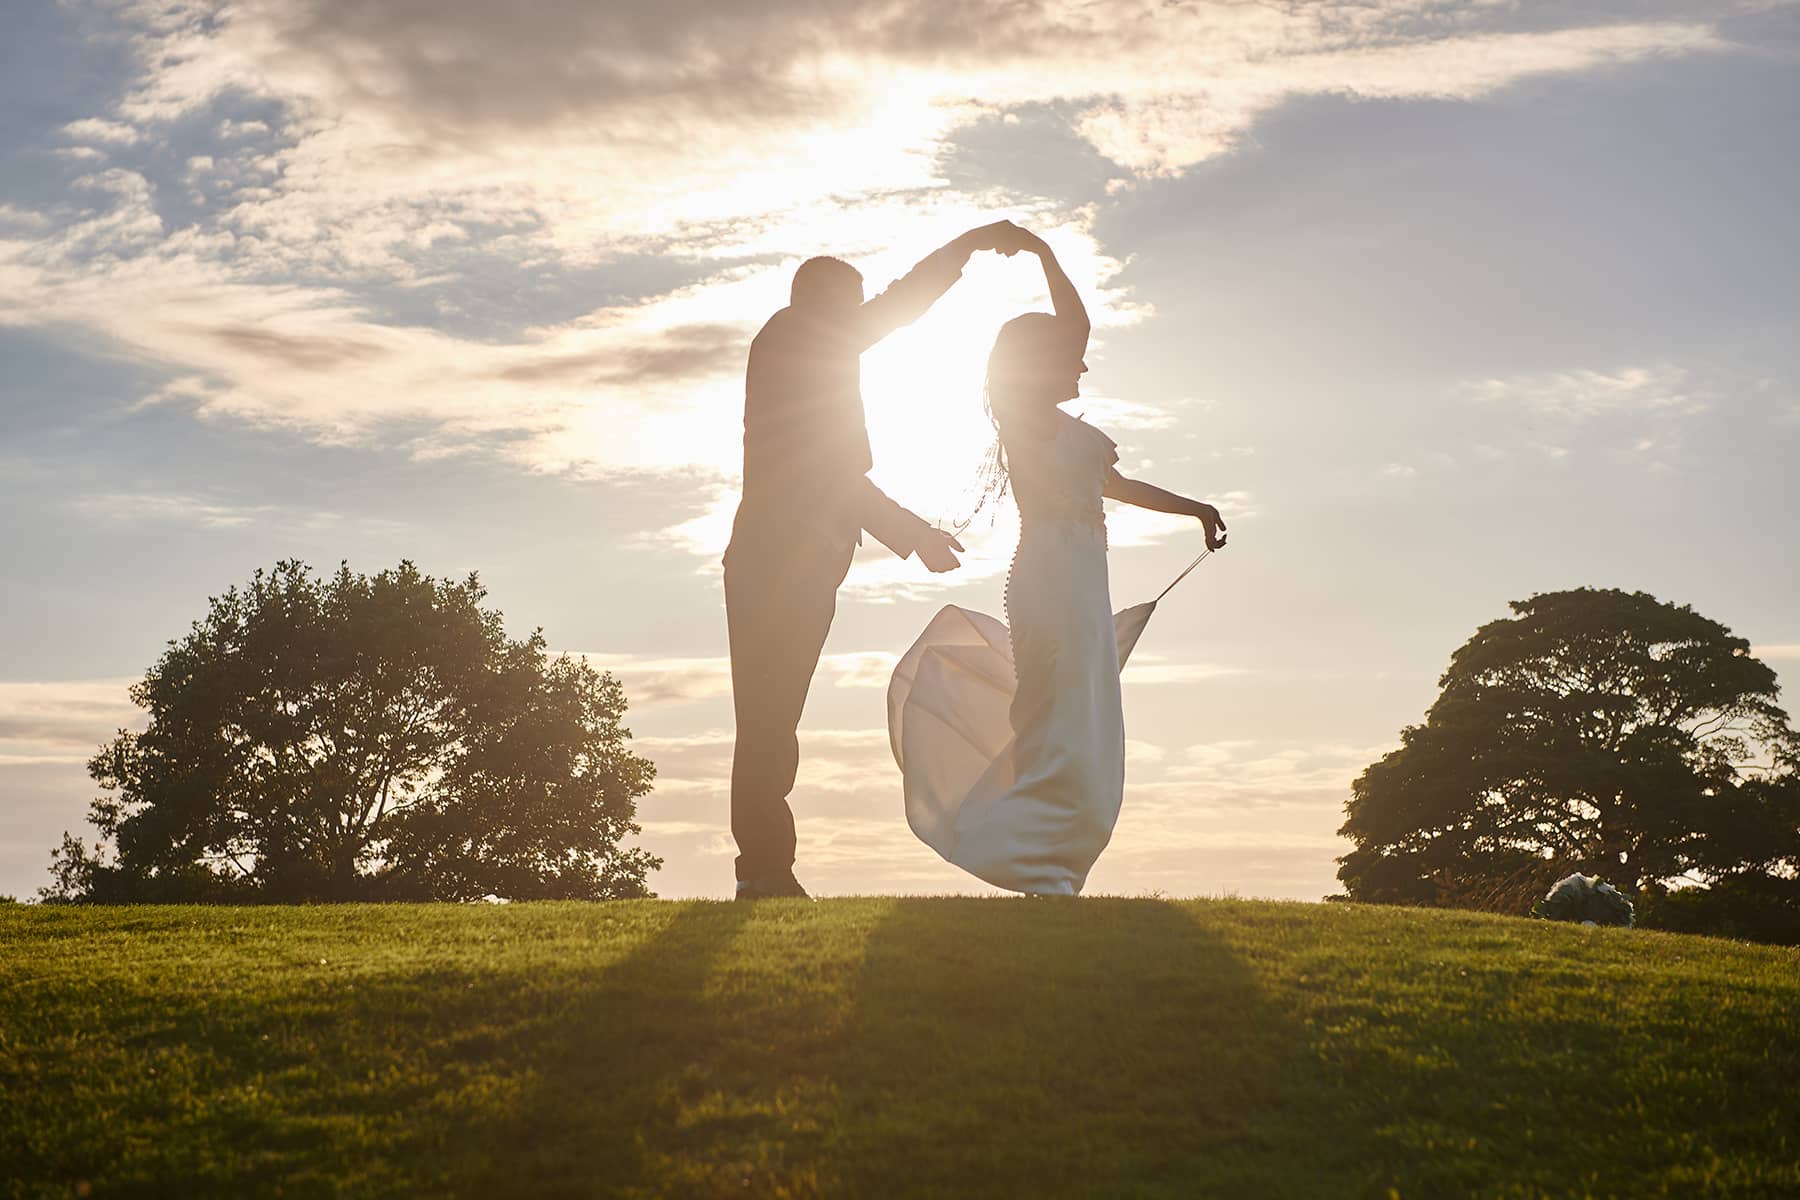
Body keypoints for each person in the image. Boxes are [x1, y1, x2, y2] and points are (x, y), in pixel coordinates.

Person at [888, 227, 1228, 895]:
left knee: (1073, 715)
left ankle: (1050, 857)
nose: (1083, 367)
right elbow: (1076, 326)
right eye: (1068, 358)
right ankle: (1036, 856)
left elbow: (1120, 489)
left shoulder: (1064, 431)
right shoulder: (1025, 417)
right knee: (1063, 716)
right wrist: (1042, 253)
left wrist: (1195, 508)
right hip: (1051, 573)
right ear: (1038, 362)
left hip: (1076, 576)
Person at [726, 220, 1026, 900]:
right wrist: (968, 245)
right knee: (769, 717)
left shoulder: (805, 352)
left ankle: (766, 868)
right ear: (823, 303)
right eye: (852, 305)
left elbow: (834, 473)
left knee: (774, 718)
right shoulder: (799, 341)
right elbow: (898, 308)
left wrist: (911, 533)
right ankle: (764, 870)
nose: (863, 320)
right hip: (778, 561)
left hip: (792, 558)